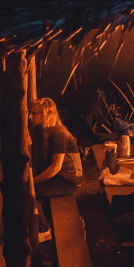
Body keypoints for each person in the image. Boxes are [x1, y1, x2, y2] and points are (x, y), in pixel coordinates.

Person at [29, 98, 82, 242]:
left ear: (46, 114)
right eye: (30, 113)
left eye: (35, 113)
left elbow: (55, 167)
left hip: (68, 180)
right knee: (25, 189)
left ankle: (44, 230)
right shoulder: (44, 130)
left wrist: (32, 182)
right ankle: (34, 223)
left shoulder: (58, 133)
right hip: (58, 177)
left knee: (29, 192)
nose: (30, 117)